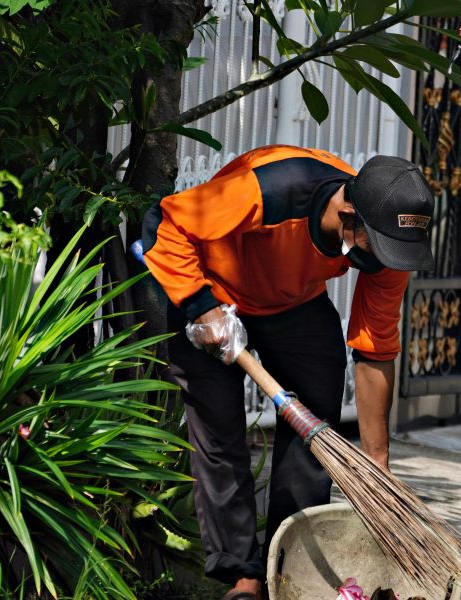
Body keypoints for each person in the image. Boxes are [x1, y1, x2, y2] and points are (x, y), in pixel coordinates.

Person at [136, 145, 435, 600]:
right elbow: (167, 224)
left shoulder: (388, 243)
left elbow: (374, 349)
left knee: (315, 426)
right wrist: (202, 308)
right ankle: (244, 577)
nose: (387, 261)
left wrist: (377, 467)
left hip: (293, 301)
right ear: (348, 213)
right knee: (220, 433)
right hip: (212, 290)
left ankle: (287, 568)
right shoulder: (275, 188)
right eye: (381, 247)